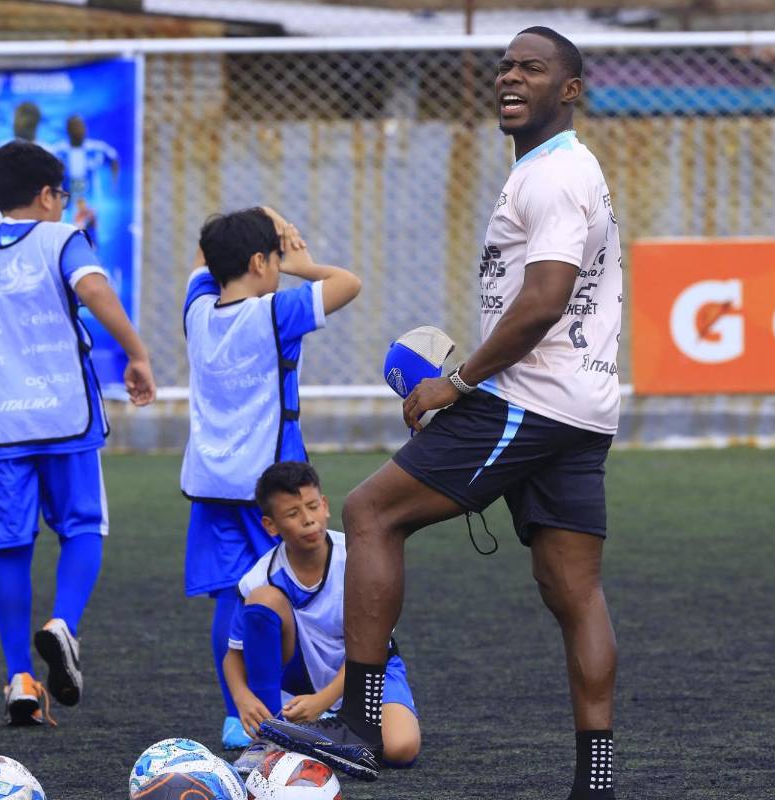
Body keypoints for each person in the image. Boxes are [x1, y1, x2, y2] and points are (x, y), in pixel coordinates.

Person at [262, 26, 623, 799]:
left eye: (532, 68)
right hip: (583, 405)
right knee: (573, 593)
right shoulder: (557, 169)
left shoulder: (553, 176)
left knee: (368, 513)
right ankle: (597, 781)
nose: (509, 77)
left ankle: (358, 724)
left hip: (528, 399)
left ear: (570, 89)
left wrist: (456, 382)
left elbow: (544, 300)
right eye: (504, 67)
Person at [0, 140, 156, 725]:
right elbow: (93, 290)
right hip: (63, 416)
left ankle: (19, 678)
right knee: (82, 527)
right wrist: (137, 353)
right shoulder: (62, 238)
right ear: (48, 196)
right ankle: (63, 624)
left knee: (8, 545)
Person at [180, 206, 361, 750]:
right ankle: (281, 709)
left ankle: (240, 716)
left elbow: (200, 260)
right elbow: (348, 284)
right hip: (268, 487)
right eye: (276, 258)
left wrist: (259, 220)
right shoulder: (276, 311)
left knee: (227, 598)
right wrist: (304, 263)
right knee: (275, 595)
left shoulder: (196, 311)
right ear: (261, 261)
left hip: (210, 484)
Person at [223, 461, 421, 776]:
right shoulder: (260, 576)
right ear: (270, 526)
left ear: (325, 505)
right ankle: (268, 735)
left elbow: (377, 648)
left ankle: (312, 738)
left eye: (313, 506)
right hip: (300, 684)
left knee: (401, 748)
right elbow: (233, 656)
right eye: (292, 514)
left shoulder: (359, 558)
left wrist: (322, 700)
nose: (308, 520)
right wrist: (241, 696)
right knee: (263, 601)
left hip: (369, 672)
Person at [51, 115, 119, 241]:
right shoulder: (58, 151)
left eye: (81, 126)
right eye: (75, 127)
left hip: (90, 200)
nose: (79, 130)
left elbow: (113, 158)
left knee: (91, 235)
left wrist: (113, 185)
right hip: (68, 203)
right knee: (67, 235)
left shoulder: (96, 148)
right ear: (68, 130)